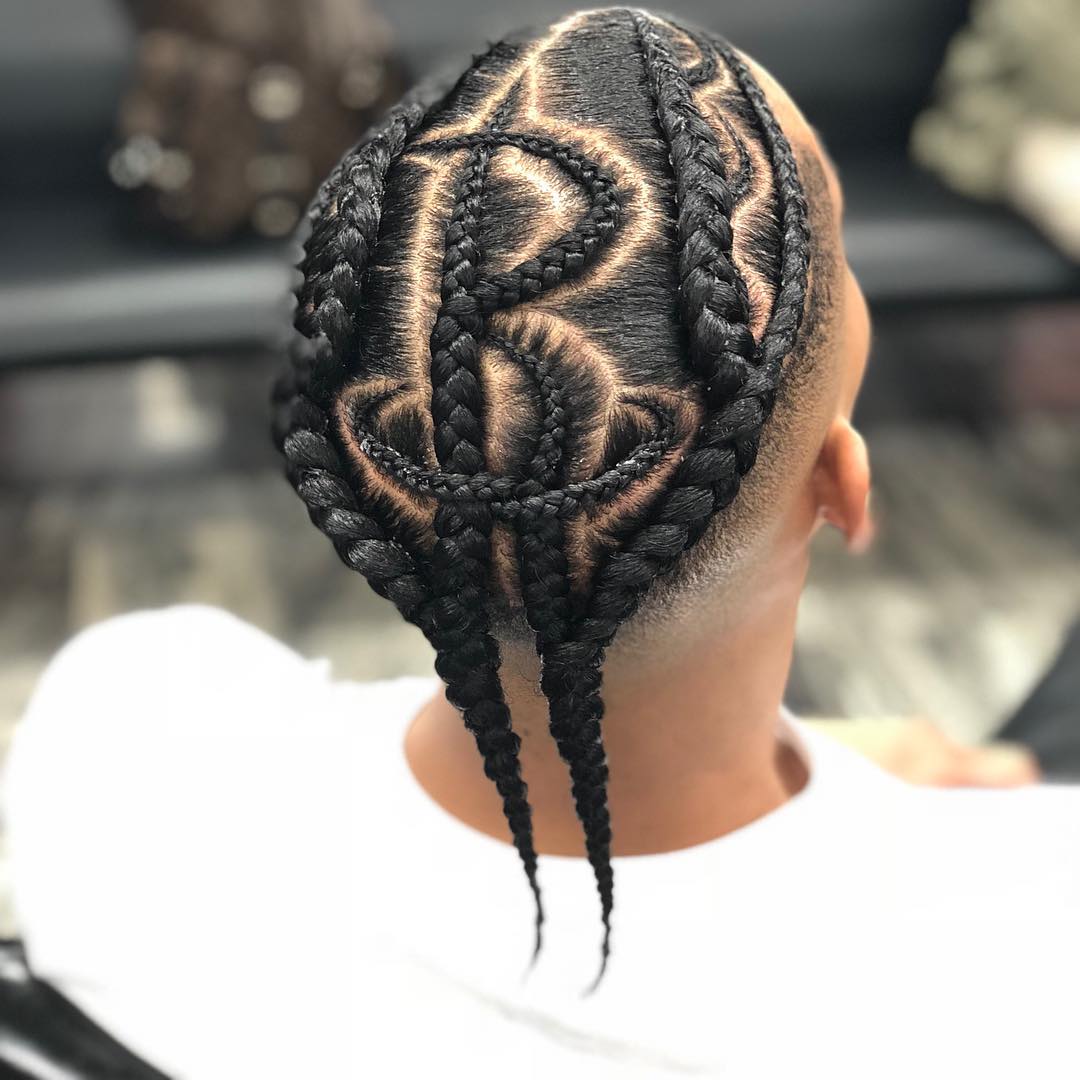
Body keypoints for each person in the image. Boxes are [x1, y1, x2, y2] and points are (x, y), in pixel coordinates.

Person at [4, 10, 1078, 1078]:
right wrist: (845, 775)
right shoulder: (1018, 937)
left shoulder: (128, 739)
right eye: (832, 244)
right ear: (840, 490)